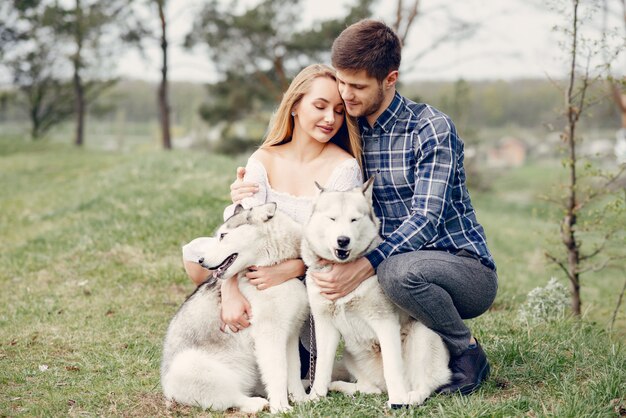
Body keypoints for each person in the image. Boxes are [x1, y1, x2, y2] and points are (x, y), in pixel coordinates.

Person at [231, 19, 498, 396]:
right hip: (387, 267)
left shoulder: (430, 129)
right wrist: (246, 197)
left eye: (357, 87)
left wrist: (363, 266)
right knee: (377, 278)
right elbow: (312, 192)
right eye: (341, 82)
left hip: (459, 266)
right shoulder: (349, 129)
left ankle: (465, 352)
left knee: (397, 273)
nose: (346, 96)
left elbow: (426, 219)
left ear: (390, 79)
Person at [181, 63, 363, 378]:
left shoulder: (343, 168)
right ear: (294, 106)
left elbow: (338, 240)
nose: (330, 118)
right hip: (257, 266)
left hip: (310, 273)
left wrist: (293, 268)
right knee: (198, 258)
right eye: (319, 106)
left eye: (338, 110)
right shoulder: (263, 160)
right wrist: (229, 291)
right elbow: (244, 233)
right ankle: (241, 343)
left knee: (287, 289)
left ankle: (298, 353)